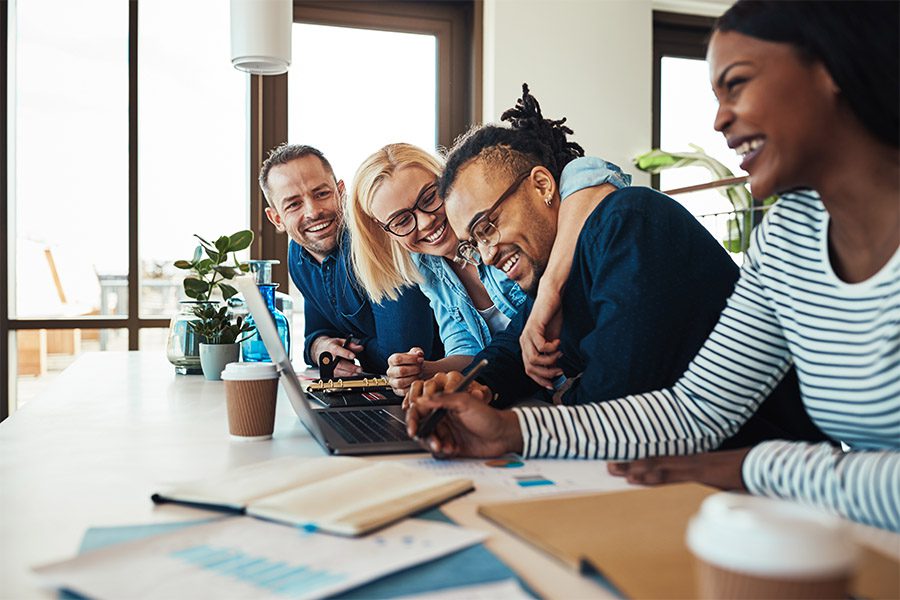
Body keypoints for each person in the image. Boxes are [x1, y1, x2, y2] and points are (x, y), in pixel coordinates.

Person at [406, 0, 899, 532]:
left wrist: (751, 467)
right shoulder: (789, 236)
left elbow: (647, 401)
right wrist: (507, 428)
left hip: (805, 521)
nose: (719, 120)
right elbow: (695, 411)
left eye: (736, 84)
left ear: (827, 71)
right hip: (821, 535)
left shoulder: (628, 223)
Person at [416, 84, 824, 449]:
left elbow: (615, 395)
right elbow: (512, 349)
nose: (486, 255)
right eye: (475, 243)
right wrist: (473, 388)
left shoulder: (628, 222)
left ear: (543, 185)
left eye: (488, 227)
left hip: (764, 483)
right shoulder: (552, 276)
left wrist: (557, 403)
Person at [345, 143, 631, 395]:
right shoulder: (428, 267)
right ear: (387, 233)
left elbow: (587, 172)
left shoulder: (505, 228)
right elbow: (470, 350)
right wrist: (427, 371)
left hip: (592, 376)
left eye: (430, 198)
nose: (424, 222)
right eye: (401, 221)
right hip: (531, 392)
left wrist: (546, 294)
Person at [259, 143, 443, 376]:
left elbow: (400, 353)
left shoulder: (377, 239)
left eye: (321, 194)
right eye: (294, 204)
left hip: (438, 386)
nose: (313, 212)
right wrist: (319, 348)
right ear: (276, 218)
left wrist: (349, 346)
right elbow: (316, 333)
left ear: (341, 191)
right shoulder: (298, 255)